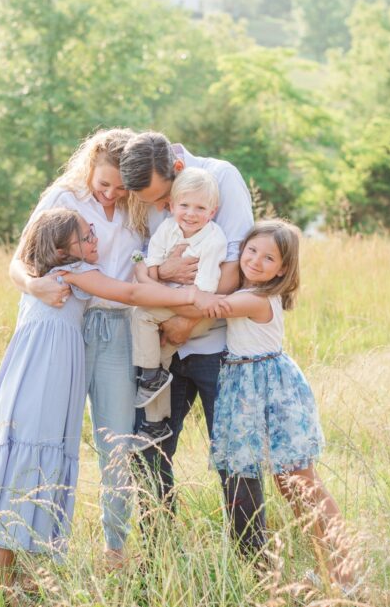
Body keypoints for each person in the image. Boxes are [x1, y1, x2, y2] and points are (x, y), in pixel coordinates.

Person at [0, 208, 226, 603]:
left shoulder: (56, 276)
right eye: (86, 237)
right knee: (27, 459)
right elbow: (133, 294)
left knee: (32, 458)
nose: (94, 240)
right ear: (62, 249)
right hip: (43, 374)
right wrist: (191, 294)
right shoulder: (72, 273)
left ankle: (11, 573)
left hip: (44, 369)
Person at [7, 128, 148, 566]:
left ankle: (115, 548)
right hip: (65, 323)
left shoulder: (139, 209)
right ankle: (38, 549)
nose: (109, 195)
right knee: (50, 435)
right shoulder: (64, 198)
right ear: (90, 165)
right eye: (103, 183)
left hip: (118, 327)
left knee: (117, 441)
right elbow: (19, 259)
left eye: (121, 188)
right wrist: (35, 286)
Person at [117, 131, 256, 522]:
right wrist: (161, 271)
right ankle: (160, 557)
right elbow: (140, 262)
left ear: (178, 169)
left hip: (217, 344)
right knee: (150, 450)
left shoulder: (222, 178)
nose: (162, 208)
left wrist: (186, 321)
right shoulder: (143, 192)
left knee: (234, 456)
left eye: (164, 199)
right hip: (161, 340)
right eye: (156, 204)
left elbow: (236, 268)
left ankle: (254, 563)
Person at [212, 220, 356, 591]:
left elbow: (213, 306)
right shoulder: (249, 289)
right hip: (247, 389)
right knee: (288, 486)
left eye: (269, 257)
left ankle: (346, 572)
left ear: (283, 269)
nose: (256, 261)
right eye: (251, 251)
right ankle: (328, 572)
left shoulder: (255, 299)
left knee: (301, 484)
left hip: (272, 392)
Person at [131, 167, 227, 447]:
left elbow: (203, 291)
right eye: (184, 205)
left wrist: (158, 288)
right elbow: (151, 265)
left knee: (142, 317)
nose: (191, 213)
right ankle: (155, 421)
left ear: (212, 211)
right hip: (174, 301)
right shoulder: (168, 228)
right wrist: (159, 273)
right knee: (159, 355)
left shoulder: (213, 240)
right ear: (171, 206)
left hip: (197, 313)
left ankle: (150, 375)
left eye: (200, 207)